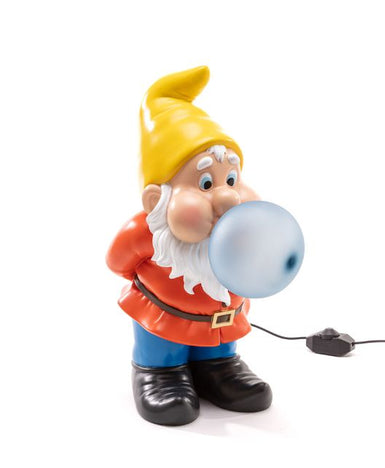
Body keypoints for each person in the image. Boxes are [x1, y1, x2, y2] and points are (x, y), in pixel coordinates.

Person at [106, 66, 272, 426]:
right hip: (163, 317)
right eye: (206, 184)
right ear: (157, 200)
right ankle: (159, 371)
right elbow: (118, 262)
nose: (228, 198)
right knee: (161, 345)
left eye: (232, 179)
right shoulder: (146, 232)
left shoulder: (240, 231)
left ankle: (218, 366)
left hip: (221, 320)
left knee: (220, 340)